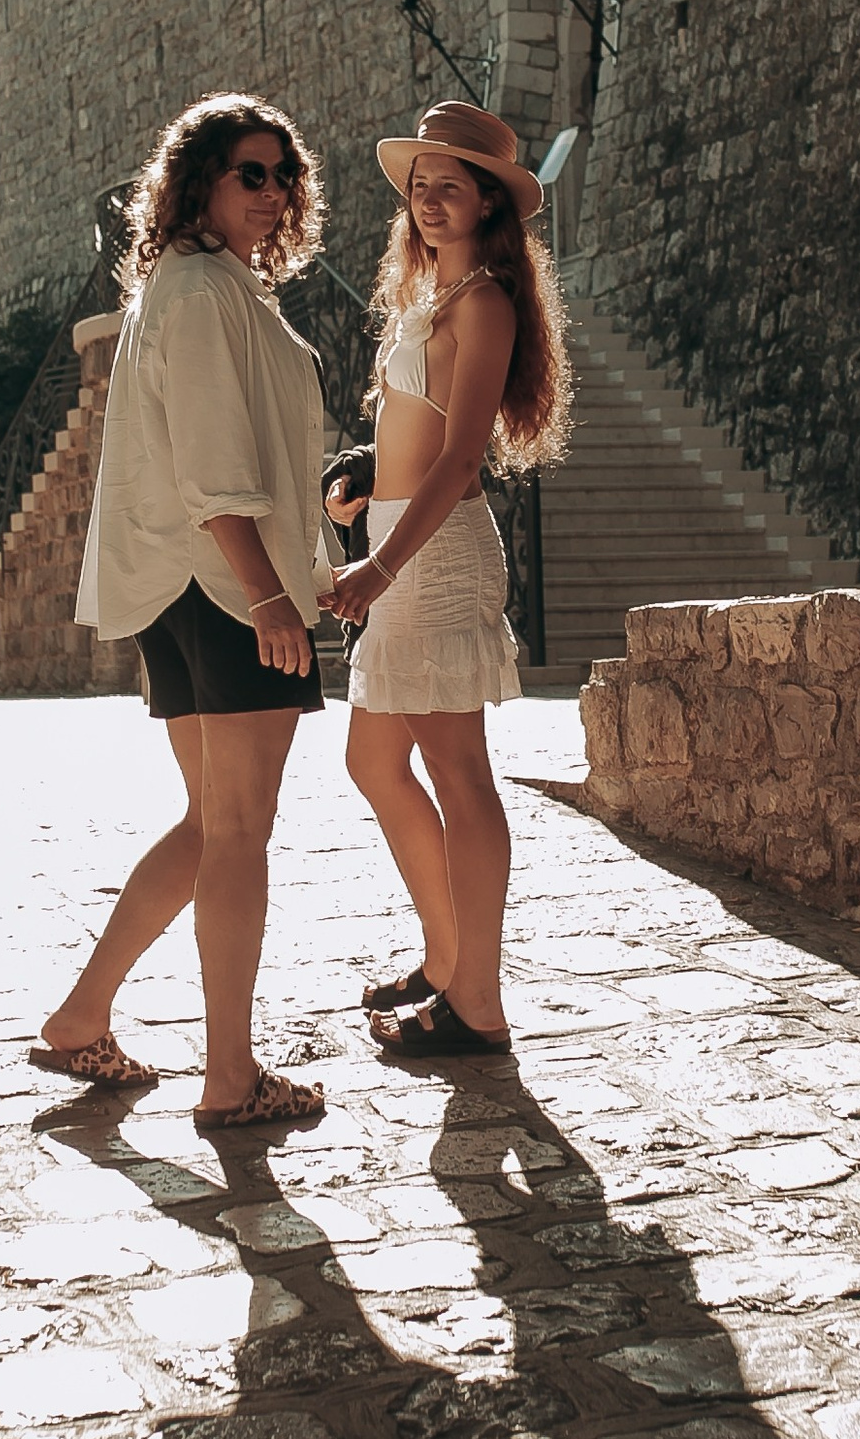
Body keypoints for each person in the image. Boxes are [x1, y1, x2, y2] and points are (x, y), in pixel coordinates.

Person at [33, 93, 333, 1130]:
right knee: (241, 829)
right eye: (249, 172)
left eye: (283, 175)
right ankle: (232, 1076)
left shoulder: (193, 286)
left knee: (213, 824)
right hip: (219, 586)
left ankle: (80, 1014)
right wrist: (267, 593)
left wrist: (302, 557)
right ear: (198, 179)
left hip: (189, 584)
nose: (271, 192)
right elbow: (214, 470)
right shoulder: (202, 290)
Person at [324, 99, 571, 1060]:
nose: (430, 202)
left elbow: (462, 458)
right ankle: (445, 959)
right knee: (374, 764)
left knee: (458, 774)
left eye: (450, 188)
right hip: (395, 544)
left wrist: (380, 564)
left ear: (487, 204)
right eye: (420, 188)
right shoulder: (427, 299)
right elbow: (407, 438)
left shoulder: (487, 304)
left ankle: (477, 1002)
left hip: (429, 560)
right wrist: (360, 490)